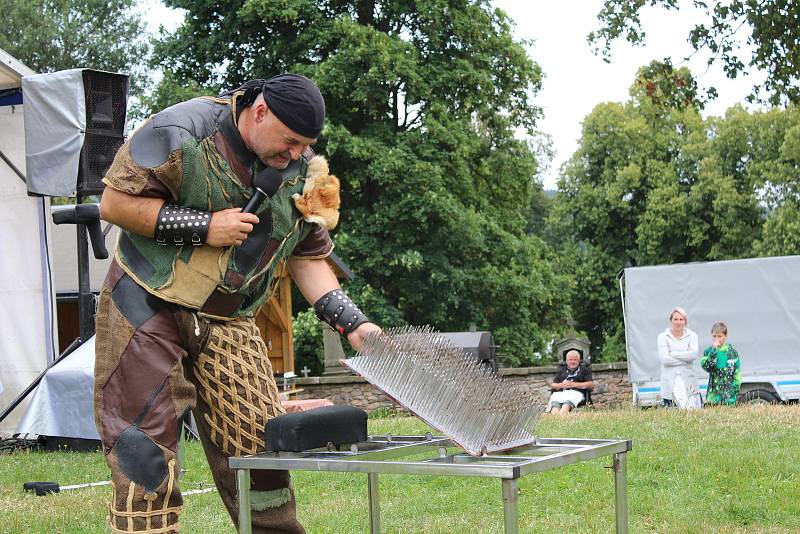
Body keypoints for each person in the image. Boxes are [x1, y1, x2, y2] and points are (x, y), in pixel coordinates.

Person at [94, 75, 380, 534]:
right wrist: (204, 226)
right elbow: (114, 203)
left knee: (260, 451)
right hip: (147, 303)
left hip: (230, 317)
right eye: (289, 141)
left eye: (304, 145)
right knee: (143, 453)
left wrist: (356, 326)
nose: (295, 154)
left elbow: (309, 259)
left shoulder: (305, 172)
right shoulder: (181, 132)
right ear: (261, 110)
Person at [657, 306, 699, 408]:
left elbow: (693, 355)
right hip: (669, 386)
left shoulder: (692, 336)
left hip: (689, 383)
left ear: (685, 321)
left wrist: (672, 353)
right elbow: (665, 360)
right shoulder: (662, 337)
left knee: (692, 415)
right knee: (671, 418)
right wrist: (685, 357)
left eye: (681, 319)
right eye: (675, 319)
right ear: (671, 320)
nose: (678, 322)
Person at [700, 322, 742, 405]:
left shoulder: (732, 352)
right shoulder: (708, 351)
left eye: (719, 336)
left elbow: (737, 372)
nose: (717, 339)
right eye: (714, 336)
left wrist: (735, 389)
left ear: (725, 336)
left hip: (729, 397)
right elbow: (707, 367)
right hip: (713, 397)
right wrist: (714, 351)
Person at [545, 350, 594, 415]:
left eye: (575, 360)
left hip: (576, 394)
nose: (572, 362)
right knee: (555, 405)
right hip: (561, 393)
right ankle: (557, 420)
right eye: (570, 360)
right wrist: (561, 385)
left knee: (566, 404)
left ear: (579, 360)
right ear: (567, 360)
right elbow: (553, 385)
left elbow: (591, 385)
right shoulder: (562, 370)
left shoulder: (584, 370)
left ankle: (560, 418)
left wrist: (573, 384)